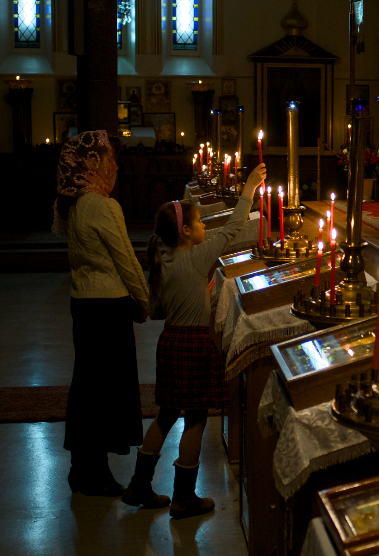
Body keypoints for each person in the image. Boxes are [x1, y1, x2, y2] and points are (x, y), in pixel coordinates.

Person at [122, 162, 266, 519]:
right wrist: (248, 188)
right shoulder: (197, 256)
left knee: (167, 414)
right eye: (200, 222)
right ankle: (184, 497)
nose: (205, 226)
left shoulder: (166, 257)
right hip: (193, 345)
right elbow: (234, 227)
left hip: (170, 342)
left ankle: (139, 485)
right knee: (196, 419)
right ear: (185, 231)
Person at [54, 130, 149, 496]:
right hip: (108, 307)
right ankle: (96, 474)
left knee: (87, 390)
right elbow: (126, 260)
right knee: (105, 393)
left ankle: (84, 469)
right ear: (93, 164)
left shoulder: (76, 204)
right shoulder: (103, 206)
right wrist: (145, 301)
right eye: (111, 160)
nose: (116, 167)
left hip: (84, 304)